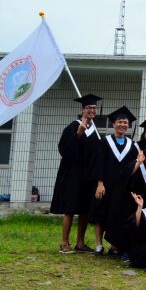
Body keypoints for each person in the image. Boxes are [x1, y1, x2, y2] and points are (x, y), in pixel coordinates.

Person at [51, 94, 102, 254]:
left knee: (85, 209)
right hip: (73, 174)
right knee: (70, 208)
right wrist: (78, 134)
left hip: (89, 176)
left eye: (94, 108)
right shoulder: (73, 126)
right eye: (88, 108)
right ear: (82, 109)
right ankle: (64, 242)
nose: (91, 110)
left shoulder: (95, 130)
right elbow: (64, 149)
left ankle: (80, 242)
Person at [92, 106, 140, 256]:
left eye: (125, 123)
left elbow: (132, 168)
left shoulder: (132, 146)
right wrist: (100, 183)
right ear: (113, 124)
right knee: (100, 213)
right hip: (105, 185)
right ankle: (99, 244)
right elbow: (99, 163)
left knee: (117, 215)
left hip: (121, 188)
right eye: (119, 122)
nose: (122, 125)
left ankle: (114, 245)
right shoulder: (104, 142)